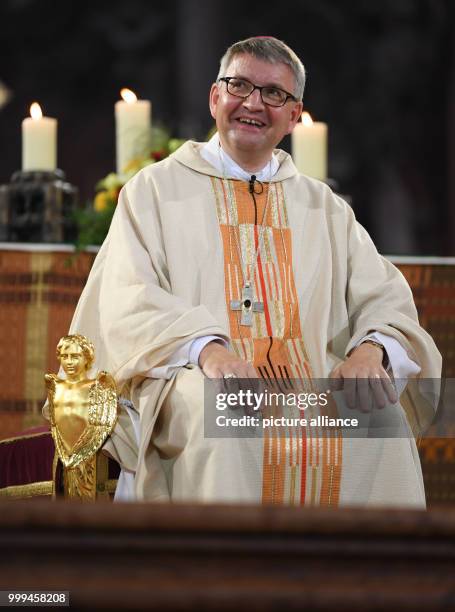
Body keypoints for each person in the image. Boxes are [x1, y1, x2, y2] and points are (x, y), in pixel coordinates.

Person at [66, 37, 441, 507]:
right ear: (214, 97)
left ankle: (368, 582)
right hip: (196, 376)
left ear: (294, 115)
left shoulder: (324, 207)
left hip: (312, 384)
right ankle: (229, 580)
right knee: (225, 412)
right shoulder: (155, 191)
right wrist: (207, 350)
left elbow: (385, 297)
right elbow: (126, 296)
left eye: (274, 94)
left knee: (380, 419)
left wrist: (371, 351)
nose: (253, 103)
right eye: (239, 85)